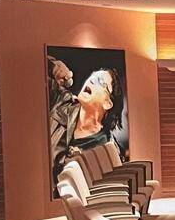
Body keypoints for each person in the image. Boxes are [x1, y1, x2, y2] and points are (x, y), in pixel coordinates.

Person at [48, 56, 125, 192]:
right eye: (92, 76)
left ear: (107, 103)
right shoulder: (61, 101)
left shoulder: (109, 149)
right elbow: (32, 66)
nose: (91, 80)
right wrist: (53, 66)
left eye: (100, 81)